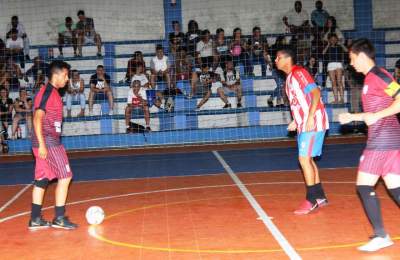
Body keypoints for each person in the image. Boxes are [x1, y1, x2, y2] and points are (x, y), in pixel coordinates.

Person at [338, 38, 400, 252]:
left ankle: (381, 235)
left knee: (364, 186)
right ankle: (381, 234)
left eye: (352, 58)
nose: (351, 63)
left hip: (382, 141)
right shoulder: (371, 79)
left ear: (361, 56)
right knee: (397, 189)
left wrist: (377, 115)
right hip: (390, 139)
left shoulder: (379, 75)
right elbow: (375, 113)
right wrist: (353, 117)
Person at [275, 47, 329, 215]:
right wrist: (295, 120)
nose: (275, 60)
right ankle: (320, 196)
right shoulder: (290, 79)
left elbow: (315, 93)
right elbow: (301, 103)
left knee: (304, 159)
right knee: (309, 160)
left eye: (278, 57)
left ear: (286, 59)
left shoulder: (299, 73)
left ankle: (311, 199)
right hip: (304, 123)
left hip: (312, 122)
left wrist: (310, 117)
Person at [29, 60, 77, 230]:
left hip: (45, 141)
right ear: (56, 75)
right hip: (48, 142)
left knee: (42, 180)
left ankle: (35, 218)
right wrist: (42, 145)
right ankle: (59, 218)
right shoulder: (48, 92)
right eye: (65, 75)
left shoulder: (53, 93)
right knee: (66, 176)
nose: (67, 79)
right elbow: (37, 118)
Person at [323, 33, 348, 104]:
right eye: (331, 39)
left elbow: (346, 50)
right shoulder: (327, 47)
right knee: (333, 82)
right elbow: (323, 53)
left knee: (339, 81)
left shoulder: (339, 46)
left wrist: (341, 44)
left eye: (334, 39)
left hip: (338, 64)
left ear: (336, 39)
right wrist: (328, 45)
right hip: (330, 64)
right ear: (329, 40)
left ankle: (342, 99)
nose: (333, 41)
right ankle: (336, 100)